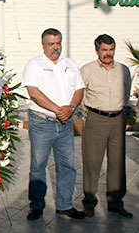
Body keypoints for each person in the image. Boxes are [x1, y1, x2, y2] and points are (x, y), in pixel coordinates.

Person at [22, 28, 85, 220]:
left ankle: (65, 205)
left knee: (67, 165)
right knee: (39, 165)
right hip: (43, 123)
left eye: (58, 43)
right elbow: (33, 91)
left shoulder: (70, 64)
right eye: (51, 44)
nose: (55, 47)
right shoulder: (35, 65)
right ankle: (37, 206)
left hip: (65, 123)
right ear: (43, 45)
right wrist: (59, 109)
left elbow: (79, 89)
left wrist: (71, 107)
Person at [80, 34, 132, 218]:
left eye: (111, 50)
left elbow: (126, 92)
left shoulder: (123, 70)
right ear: (97, 50)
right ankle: (89, 203)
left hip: (118, 119)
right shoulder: (87, 70)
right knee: (92, 162)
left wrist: (122, 110)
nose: (108, 54)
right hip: (96, 119)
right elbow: (80, 94)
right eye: (104, 50)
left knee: (117, 163)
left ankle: (115, 202)